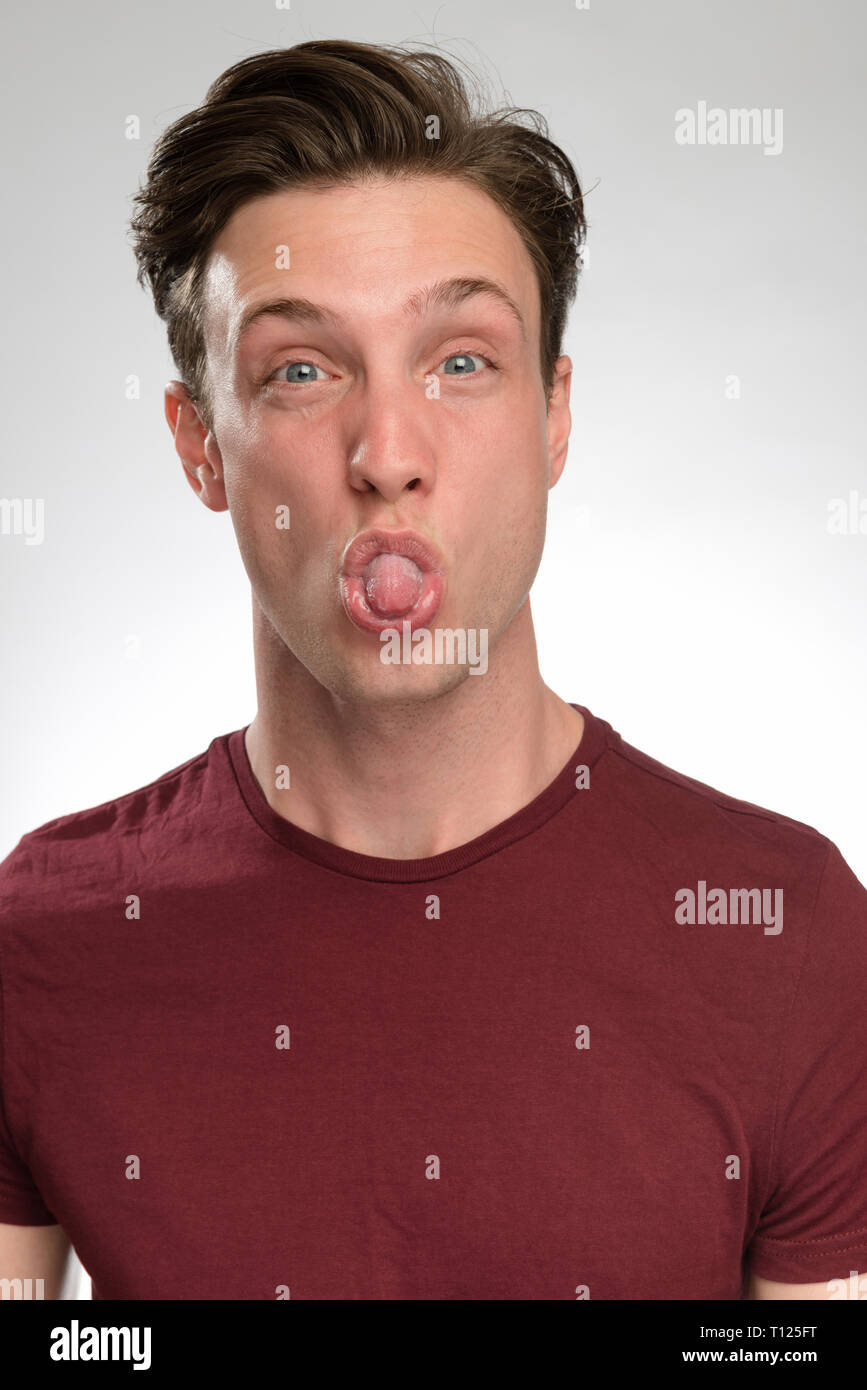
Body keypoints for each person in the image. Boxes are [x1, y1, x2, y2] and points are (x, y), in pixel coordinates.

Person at [1, 40, 865, 1302]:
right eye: (300, 370)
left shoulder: (788, 929)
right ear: (201, 448)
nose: (388, 453)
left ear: (553, 415)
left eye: (462, 360)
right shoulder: (45, 936)